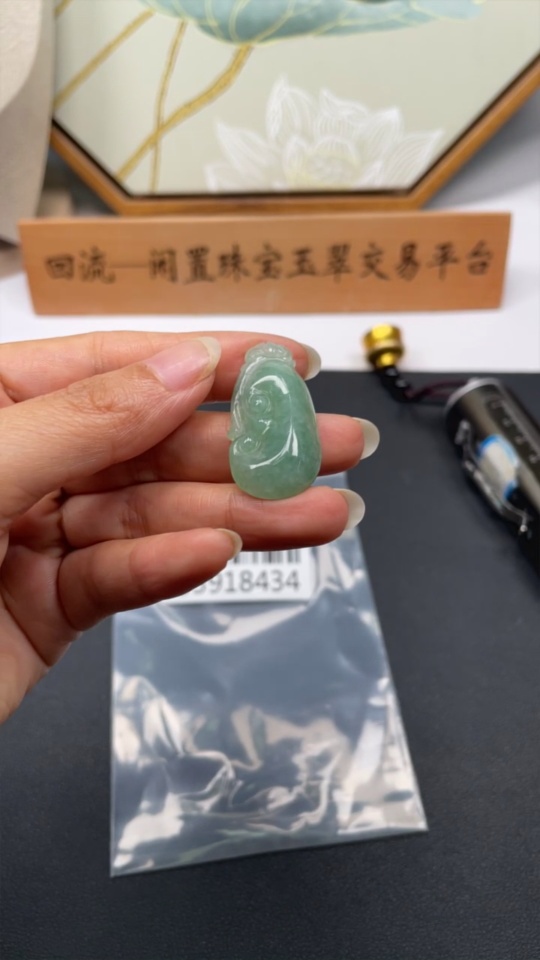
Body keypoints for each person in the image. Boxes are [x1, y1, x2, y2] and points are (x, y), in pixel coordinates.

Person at [0, 330, 379, 724]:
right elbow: (245, 419)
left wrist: (244, 432)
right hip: (268, 463)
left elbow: (246, 420)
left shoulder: (271, 380)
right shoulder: (275, 380)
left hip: (268, 462)